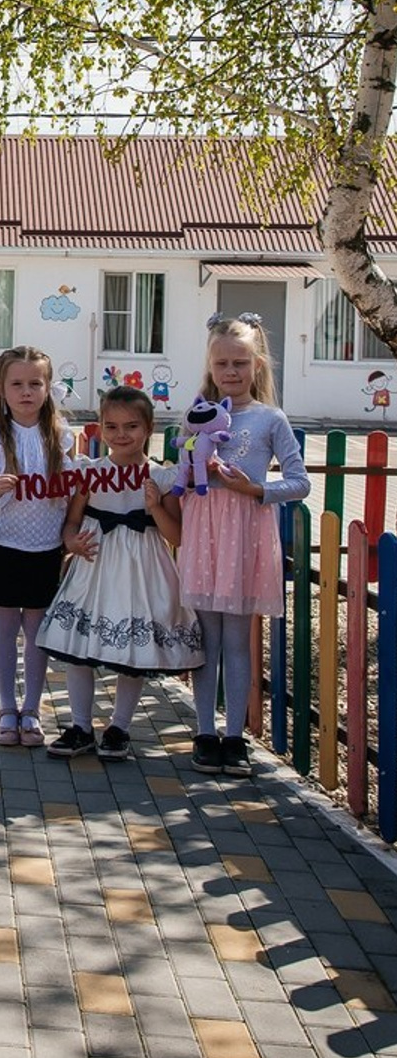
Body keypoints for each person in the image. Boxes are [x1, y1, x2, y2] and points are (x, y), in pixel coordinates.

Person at [38, 386, 203, 760]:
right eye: (111, 426)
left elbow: (175, 534)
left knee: (134, 649)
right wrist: (72, 542)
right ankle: (80, 725)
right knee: (77, 648)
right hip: (95, 566)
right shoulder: (90, 473)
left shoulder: (162, 478)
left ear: (148, 428)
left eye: (131, 426)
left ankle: (119, 728)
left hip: (143, 571)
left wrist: (155, 507)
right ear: (100, 428)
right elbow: (72, 522)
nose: (121, 435)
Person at [179, 313, 310, 777]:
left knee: (236, 641)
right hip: (203, 534)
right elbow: (182, 461)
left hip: (242, 536)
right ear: (210, 367)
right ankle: (203, 733)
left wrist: (253, 489)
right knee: (205, 641)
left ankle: (234, 737)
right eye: (221, 364)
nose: (230, 372)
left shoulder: (271, 418)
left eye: (239, 362)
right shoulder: (196, 411)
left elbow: (299, 482)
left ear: (256, 365)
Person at [0, 345, 72, 748]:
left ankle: (32, 709)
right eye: (17, 384)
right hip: (4, 544)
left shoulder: (62, 436)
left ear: (49, 388)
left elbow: (74, 494)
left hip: (46, 547)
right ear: (1, 388)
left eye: (35, 383)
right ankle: (6, 708)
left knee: (37, 630)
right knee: (5, 626)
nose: (26, 391)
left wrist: (70, 534)